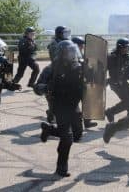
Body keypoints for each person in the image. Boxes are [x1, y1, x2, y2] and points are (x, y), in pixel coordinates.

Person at [39, 40, 83, 177]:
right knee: (67, 138)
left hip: (74, 105)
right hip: (59, 105)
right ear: (62, 53)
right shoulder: (51, 68)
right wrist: (45, 87)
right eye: (69, 51)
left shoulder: (79, 67)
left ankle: (50, 129)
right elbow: (37, 86)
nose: (72, 54)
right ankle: (61, 167)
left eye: (73, 51)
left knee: (77, 134)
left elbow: (91, 82)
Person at [105, 38, 129, 122]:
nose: (127, 49)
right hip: (115, 83)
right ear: (120, 47)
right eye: (126, 47)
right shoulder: (112, 57)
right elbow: (105, 69)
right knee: (128, 101)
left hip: (122, 82)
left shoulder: (125, 56)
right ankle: (110, 112)